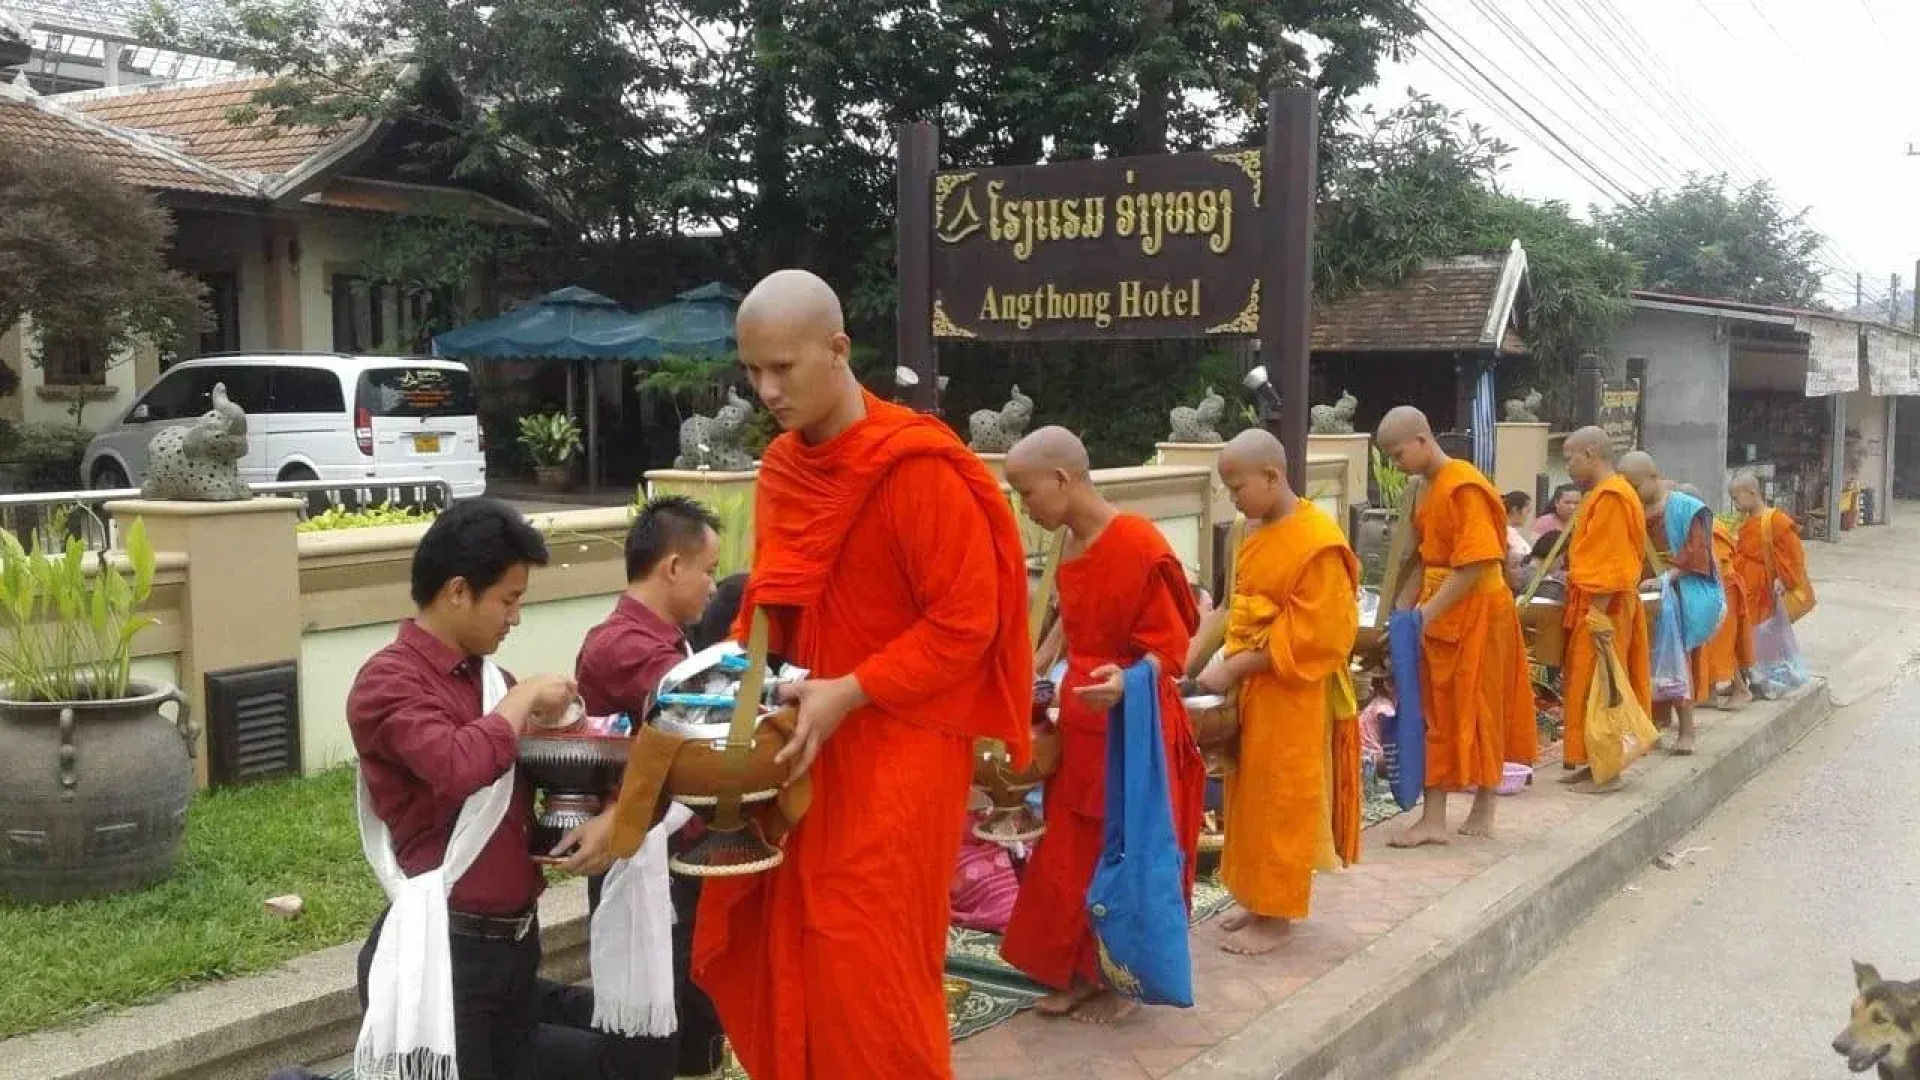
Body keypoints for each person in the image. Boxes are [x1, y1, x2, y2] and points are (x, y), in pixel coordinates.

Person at [692, 269, 1033, 1080]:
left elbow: (966, 624)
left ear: (838, 350)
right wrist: (719, 694)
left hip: (896, 754)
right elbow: (771, 608)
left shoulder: (914, 467)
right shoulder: (783, 469)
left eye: (784, 367)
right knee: (795, 949)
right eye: (752, 371)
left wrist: (852, 690)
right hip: (804, 749)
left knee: (868, 964)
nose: (767, 389)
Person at [346, 497, 612, 1080]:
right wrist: (519, 704)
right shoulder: (388, 681)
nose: (514, 618)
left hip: (514, 944)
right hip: (444, 953)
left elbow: (533, 773)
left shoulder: (492, 681)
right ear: (458, 591)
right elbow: (459, 766)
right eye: (509, 600)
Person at [998, 426, 1205, 1024]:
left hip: (1130, 726)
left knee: (1123, 848)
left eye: (1027, 493)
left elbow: (1172, 650)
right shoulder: (1068, 543)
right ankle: (1076, 973)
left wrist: (1124, 684)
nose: (1026, 509)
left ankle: (1119, 978)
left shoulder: (1138, 544)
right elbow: (1072, 620)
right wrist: (1042, 658)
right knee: (1067, 851)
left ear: (1063, 479)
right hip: (1083, 722)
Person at [563, 495, 728, 1079]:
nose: (712, 587)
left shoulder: (664, 638)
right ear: (673, 567)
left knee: (688, 998)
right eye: (707, 571)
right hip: (642, 851)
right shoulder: (625, 646)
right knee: (659, 1006)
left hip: (670, 845)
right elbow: (696, 724)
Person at [1197, 428, 1361, 956]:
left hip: (1293, 688)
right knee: (1249, 795)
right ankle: (1256, 897)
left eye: (1237, 485)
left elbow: (1319, 635)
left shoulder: (1318, 540)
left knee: (1283, 796)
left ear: (1272, 476)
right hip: (1250, 687)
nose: (1233, 498)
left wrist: (1237, 666)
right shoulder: (1249, 530)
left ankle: (1279, 915)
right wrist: (1184, 667)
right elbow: (1229, 608)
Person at [1376, 407, 1535, 845]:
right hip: (1438, 606)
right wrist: (1402, 615)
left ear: (1423, 439)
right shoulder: (1423, 488)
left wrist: (1425, 614)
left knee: (1483, 704)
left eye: (1398, 453)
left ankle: (1486, 800)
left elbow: (1478, 561)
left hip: (1479, 607)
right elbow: (1423, 560)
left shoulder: (1463, 484)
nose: (1395, 464)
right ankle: (1433, 818)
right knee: (1433, 709)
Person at [1558, 428, 1652, 792]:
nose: (1568, 466)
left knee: (1604, 686)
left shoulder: (1612, 496)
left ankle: (1609, 770)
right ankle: (1592, 761)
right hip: (1598, 602)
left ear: (1591, 452)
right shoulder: (1601, 494)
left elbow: (1608, 560)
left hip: (1605, 605)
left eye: (1570, 457)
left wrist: (1596, 614)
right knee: (1585, 685)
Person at [1619, 455, 1721, 756]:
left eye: (1637, 485)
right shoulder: (1629, 507)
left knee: (1675, 663)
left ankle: (1687, 731)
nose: (1633, 492)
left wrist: (1665, 579)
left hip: (1676, 593)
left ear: (1654, 476)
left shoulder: (1686, 508)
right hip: (1638, 590)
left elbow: (1697, 554)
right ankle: (1648, 727)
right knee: (1639, 662)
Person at [1676, 483, 1754, 709]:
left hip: (1722, 589)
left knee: (1722, 643)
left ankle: (1741, 689)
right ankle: (1708, 692)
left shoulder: (1708, 528)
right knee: (1707, 643)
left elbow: (1715, 564)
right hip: (1712, 587)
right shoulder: (1698, 525)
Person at [1731, 471, 1817, 634]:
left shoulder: (1776, 521)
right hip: (1747, 594)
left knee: (1766, 643)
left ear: (1752, 492)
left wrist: (1785, 581)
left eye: (1736, 498)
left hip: (1768, 595)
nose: (1735, 504)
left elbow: (1795, 557)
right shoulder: (1744, 522)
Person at [1503, 490, 1534, 591]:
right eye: (1527, 511)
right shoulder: (1507, 532)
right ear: (1515, 510)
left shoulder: (1513, 532)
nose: (1527, 515)